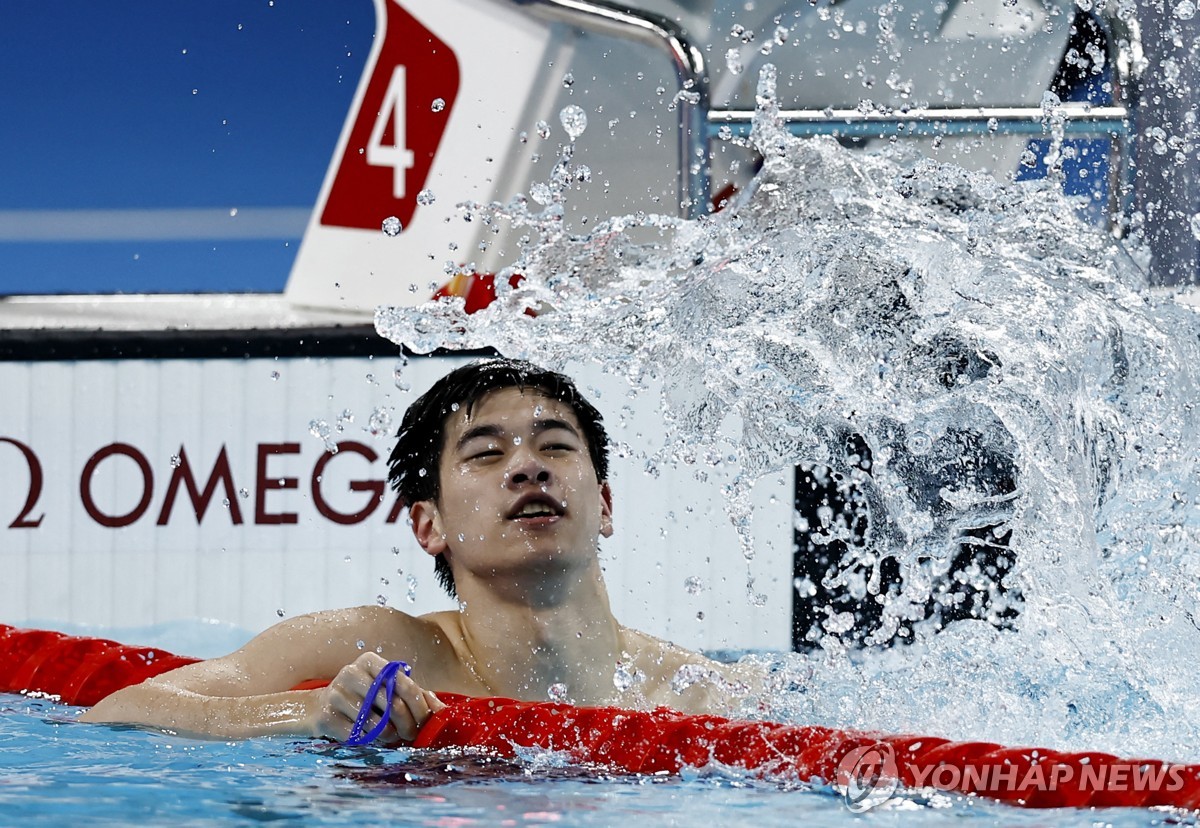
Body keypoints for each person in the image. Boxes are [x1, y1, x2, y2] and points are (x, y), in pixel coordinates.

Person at [82, 358, 756, 744]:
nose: (528, 469)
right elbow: (120, 710)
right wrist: (307, 712)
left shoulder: (704, 696)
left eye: (555, 446)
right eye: (487, 455)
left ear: (605, 505)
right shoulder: (367, 648)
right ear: (428, 524)